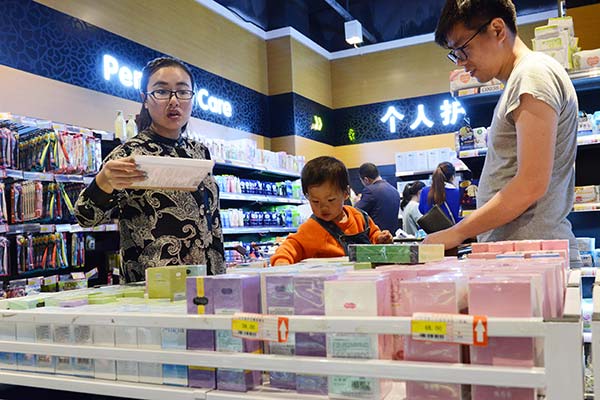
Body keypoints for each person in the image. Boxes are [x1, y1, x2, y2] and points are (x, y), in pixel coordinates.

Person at [424, 0, 579, 263]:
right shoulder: (521, 79)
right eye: (455, 55)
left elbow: (531, 184)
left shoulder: (532, 75)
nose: (461, 63)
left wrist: (457, 232)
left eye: (462, 49)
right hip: (523, 257)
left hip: (531, 259)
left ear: (497, 29)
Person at [74, 57, 225, 282]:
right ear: (144, 99)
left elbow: (211, 223)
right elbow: (85, 218)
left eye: (183, 92)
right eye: (162, 92)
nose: (174, 101)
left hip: (206, 285)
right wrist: (103, 181)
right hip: (152, 290)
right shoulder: (129, 154)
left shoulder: (200, 152)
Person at [270, 156, 393, 265]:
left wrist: (380, 238)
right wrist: (281, 263)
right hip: (328, 288)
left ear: (346, 193)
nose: (323, 208)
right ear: (307, 196)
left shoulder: (359, 217)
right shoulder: (310, 228)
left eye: (331, 200)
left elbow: (373, 235)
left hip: (364, 281)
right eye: (315, 202)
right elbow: (288, 247)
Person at [354, 162, 401, 233]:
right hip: (391, 236)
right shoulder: (394, 190)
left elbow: (355, 212)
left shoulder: (370, 191)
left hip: (376, 237)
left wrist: (357, 201)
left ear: (366, 179)